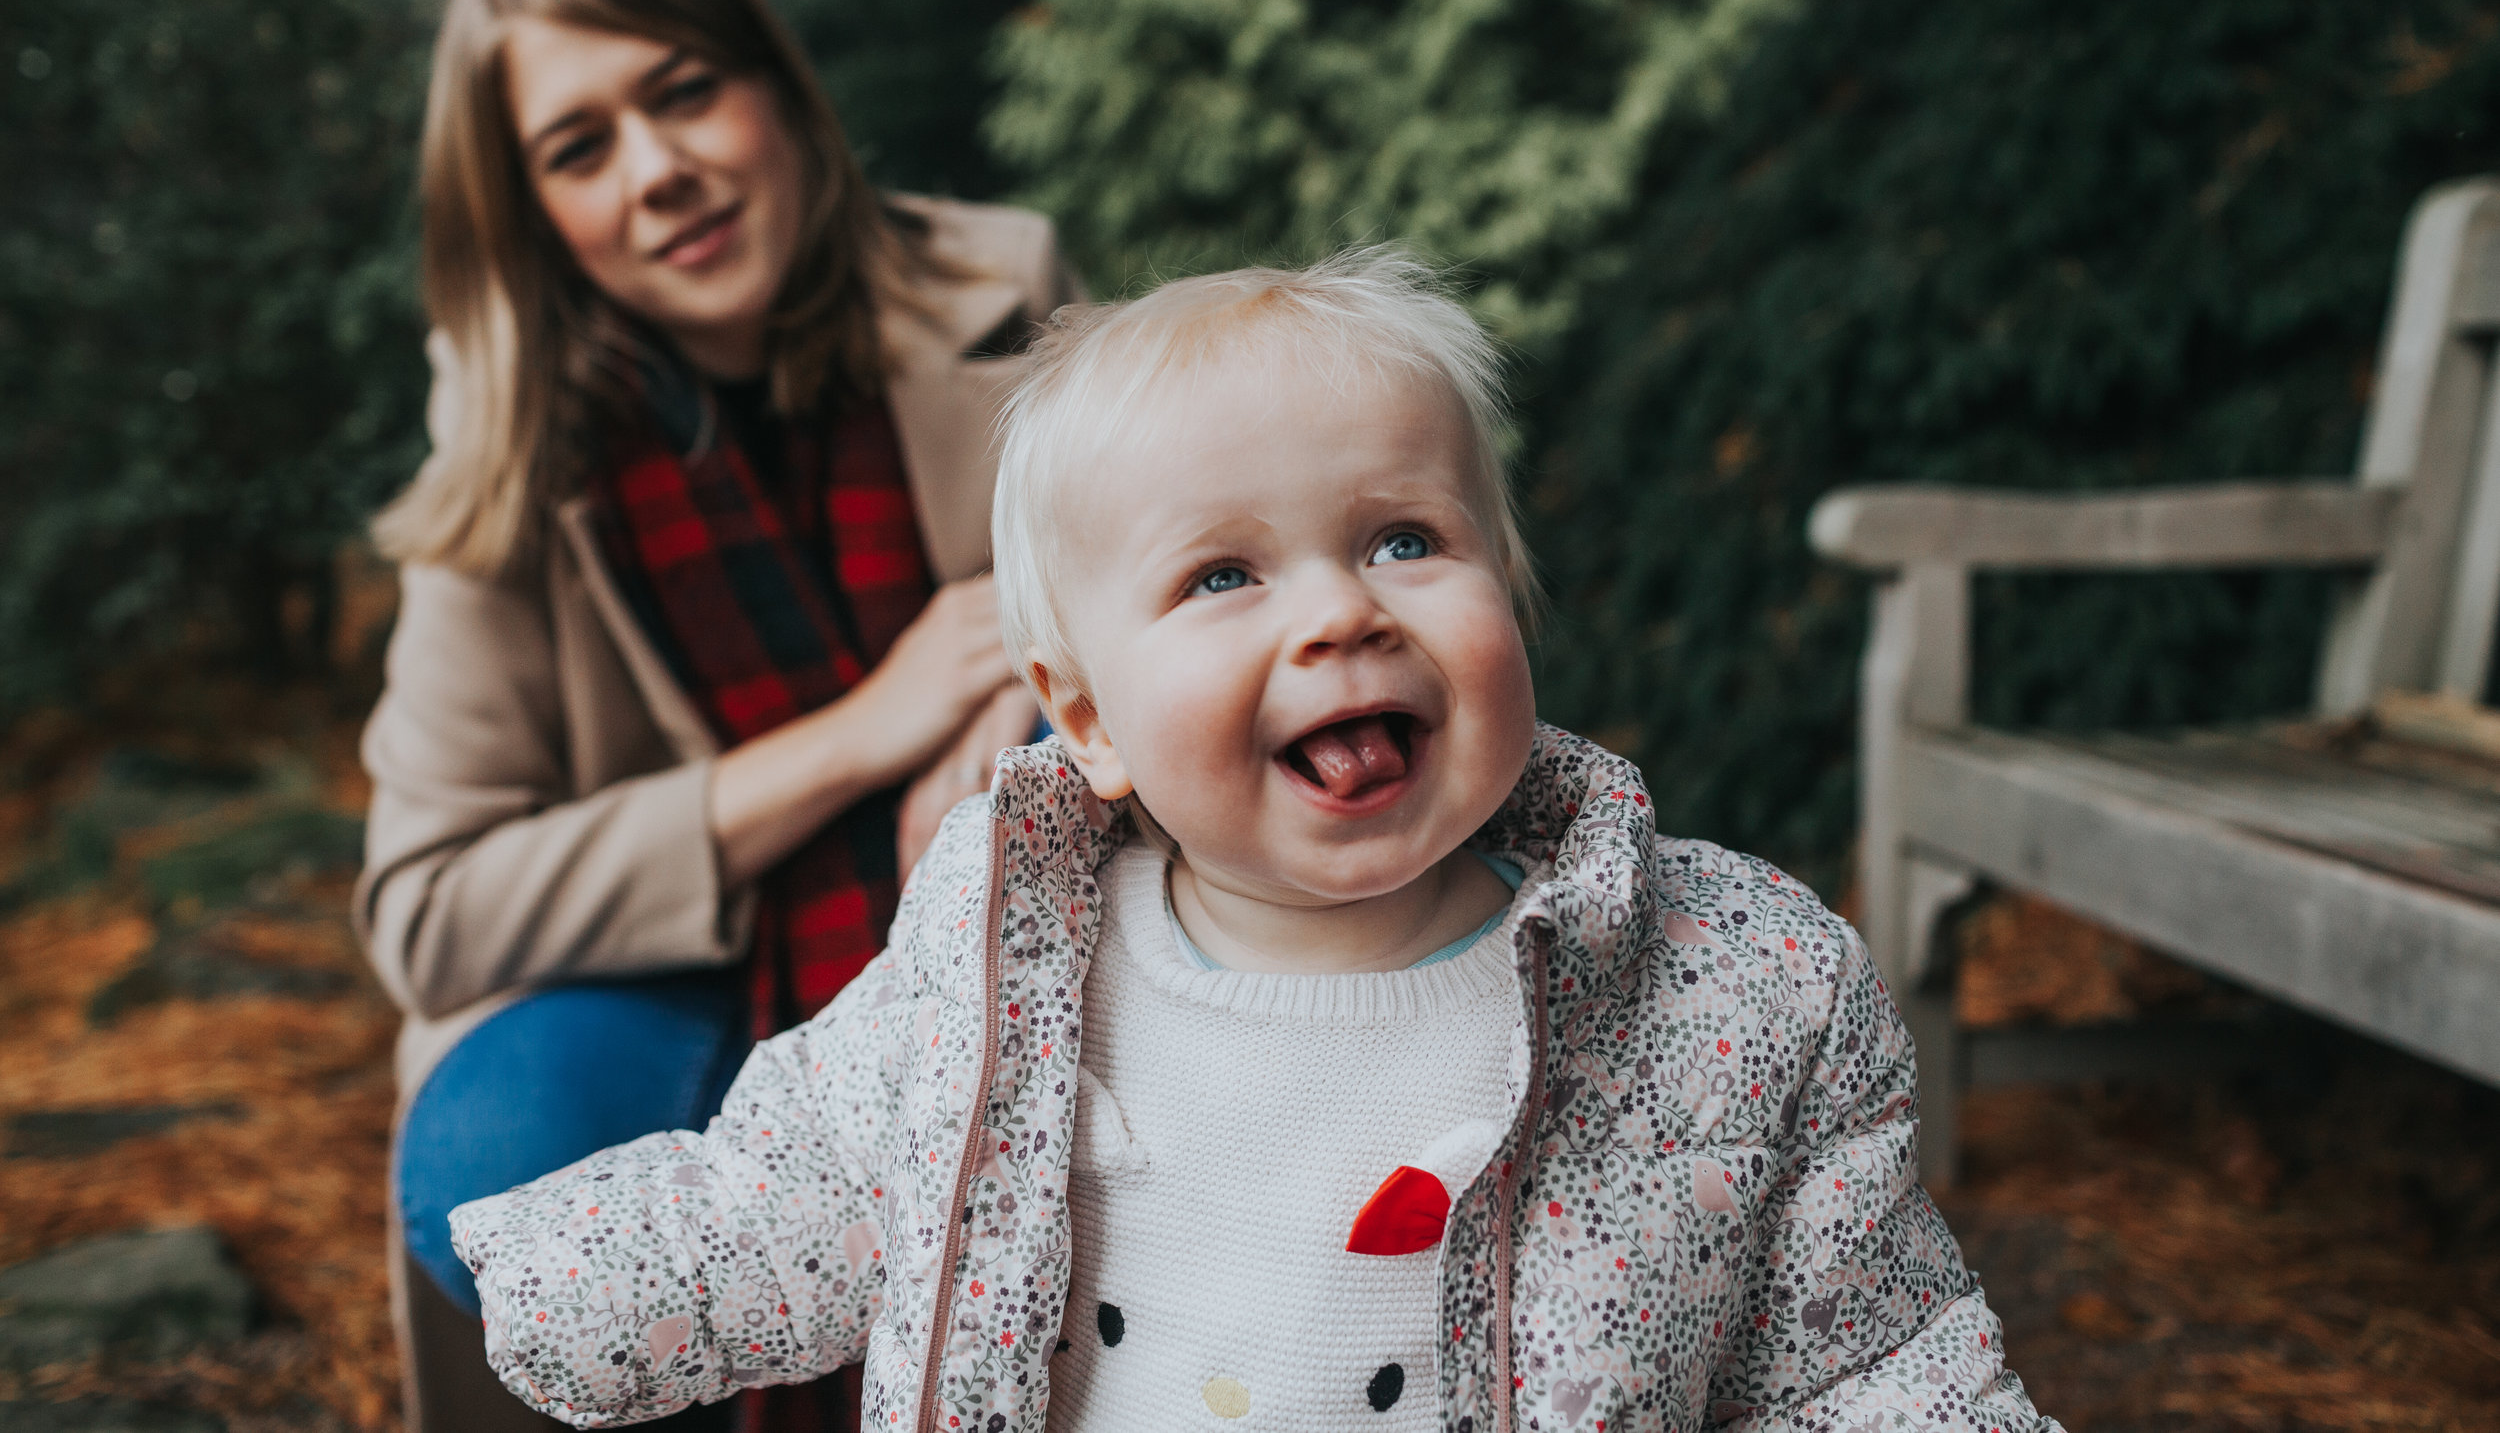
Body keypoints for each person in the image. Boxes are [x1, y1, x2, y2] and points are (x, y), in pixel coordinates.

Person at [446, 251, 2059, 1432]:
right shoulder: (1003, 975)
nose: (1342, 610)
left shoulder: (1722, 990)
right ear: (1083, 719)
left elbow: (1862, 1356)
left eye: (1406, 539)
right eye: (1225, 576)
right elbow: (791, 1186)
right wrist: (561, 1281)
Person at [355, 0, 1076, 1433]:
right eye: (579, 147)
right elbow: (425, 913)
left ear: (774, 89)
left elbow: (1154, 578)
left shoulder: (1008, 299)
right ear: (530, 211)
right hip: (669, 960)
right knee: (524, 1159)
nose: (658, 170)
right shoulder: (502, 471)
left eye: (684, 91)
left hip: (989, 901)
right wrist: (859, 733)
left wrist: (1030, 670)